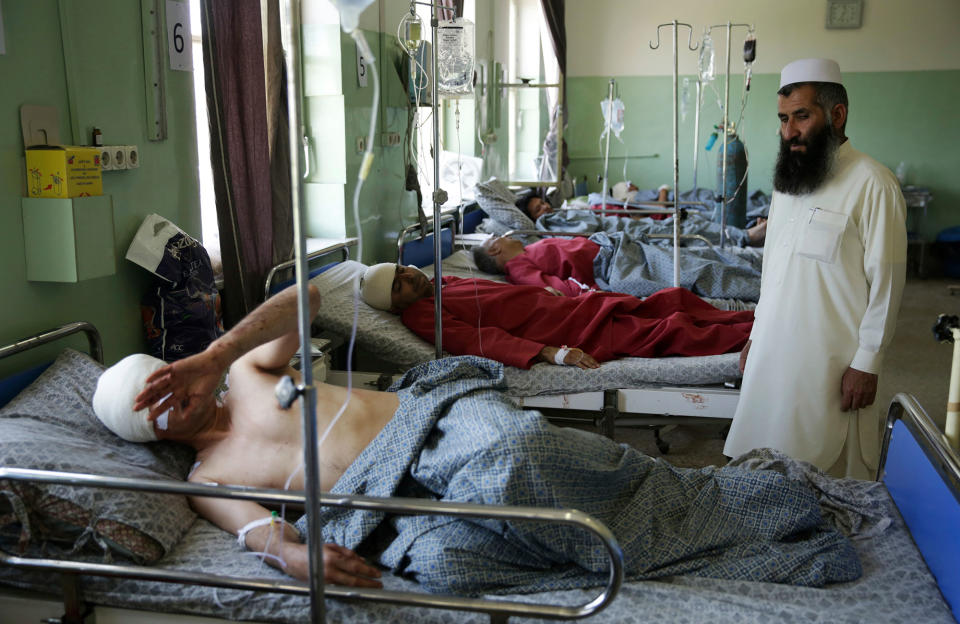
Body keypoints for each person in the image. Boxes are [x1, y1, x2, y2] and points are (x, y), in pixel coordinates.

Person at [97, 285, 862, 594]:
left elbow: (310, 297)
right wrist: (298, 555)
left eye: (168, 388)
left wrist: (213, 354)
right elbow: (260, 535)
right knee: (453, 568)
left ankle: (729, 505)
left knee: (515, 465)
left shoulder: (251, 374)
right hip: (389, 512)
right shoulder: (206, 478)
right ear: (146, 435)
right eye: (153, 413)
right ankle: (638, 550)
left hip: (437, 429)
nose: (173, 409)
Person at [722, 59, 907, 480]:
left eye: (802, 116)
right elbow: (774, 271)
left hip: (832, 368)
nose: (789, 131)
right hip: (774, 355)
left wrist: (868, 361)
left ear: (837, 115)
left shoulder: (872, 183)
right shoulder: (788, 184)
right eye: (784, 119)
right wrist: (756, 334)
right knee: (763, 470)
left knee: (825, 483)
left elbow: (888, 283)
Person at [358, 262, 754, 369]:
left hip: (574, 307)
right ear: (397, 307)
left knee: (673, 301)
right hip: (569, 329)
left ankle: (755, 319)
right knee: (673, 331)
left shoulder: (440, 283)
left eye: (400, 271)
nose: (407, 277)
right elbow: (476, 341)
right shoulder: (421, 315)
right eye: (398, 286)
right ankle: (758, 336)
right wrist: (551, 353)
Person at [471, 232, 763, 301]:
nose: (508, 235)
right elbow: (558, 291)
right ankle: (764, 290)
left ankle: (765, 278)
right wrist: (596, 289)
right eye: (500, 237)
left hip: (618, 250)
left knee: (702, 260)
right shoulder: (518, 268)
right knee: (697, 273)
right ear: (495, 248)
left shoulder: (528, 251)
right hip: (614, 270)